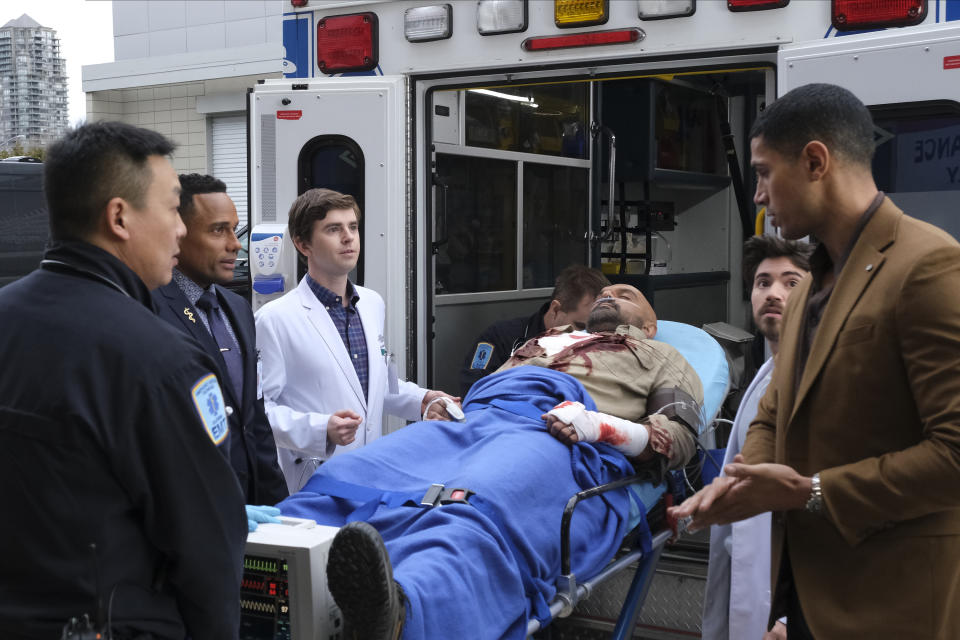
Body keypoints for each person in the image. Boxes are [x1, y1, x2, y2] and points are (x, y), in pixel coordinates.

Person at [670, 83, 960, 639]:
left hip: (896, 605)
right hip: (811, 599)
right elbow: (776, 410)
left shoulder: (927, 266)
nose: (757, 195)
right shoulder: (812, 285)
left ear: (814, 161)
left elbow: (954, 453)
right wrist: (737, 483)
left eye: (762, 172)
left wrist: (815, 492)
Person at [280, 283, 705, 640]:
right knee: (355, 473)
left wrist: (599, 428)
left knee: (472, 503)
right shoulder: (544, 342)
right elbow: (492, 385)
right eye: (605, 292)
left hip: (554, 433)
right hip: (476, 420)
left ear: (650, 326)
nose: (609, 293)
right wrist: (454, 406)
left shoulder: (663, 358)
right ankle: (264, 562)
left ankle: (404, 611)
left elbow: (678, 436)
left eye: (625, 294)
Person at [0, 122, 245, 638]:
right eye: (172, 207)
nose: (181, 228)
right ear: (119, 217)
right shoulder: (162, 361)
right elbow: (207, 552)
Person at [256, 188, 458, 493]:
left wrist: (422, 400)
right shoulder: (275, 319)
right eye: (333, 229)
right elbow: (260, 412)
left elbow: (377, 389)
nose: (348, 237)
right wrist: (320, 428)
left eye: (353, 227)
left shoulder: (372, 304)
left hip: (371, 472)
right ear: (302, 244)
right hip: (315, 480)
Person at [153, 174, 288, 508]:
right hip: (195, 511)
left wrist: (279, 507)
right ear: (178, 234)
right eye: (218, 230)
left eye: (234, 228)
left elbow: (254, 419)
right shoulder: (151, 310)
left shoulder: (237, 308)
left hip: (250, 506)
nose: (236, 243)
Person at [702, 235, 811, 640]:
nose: (773, 294)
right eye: (763, 282)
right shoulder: (766, 376)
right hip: (754, 584)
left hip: (796, 606)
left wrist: (786, 617)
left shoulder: (823, 379)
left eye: (791, 283)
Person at [458, 264, 609, 396]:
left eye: (595, 331)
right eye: (580, 328)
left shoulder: (607, 347)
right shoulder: (501, 337)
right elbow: (474, 386)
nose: (587, 338)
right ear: (555, 310)